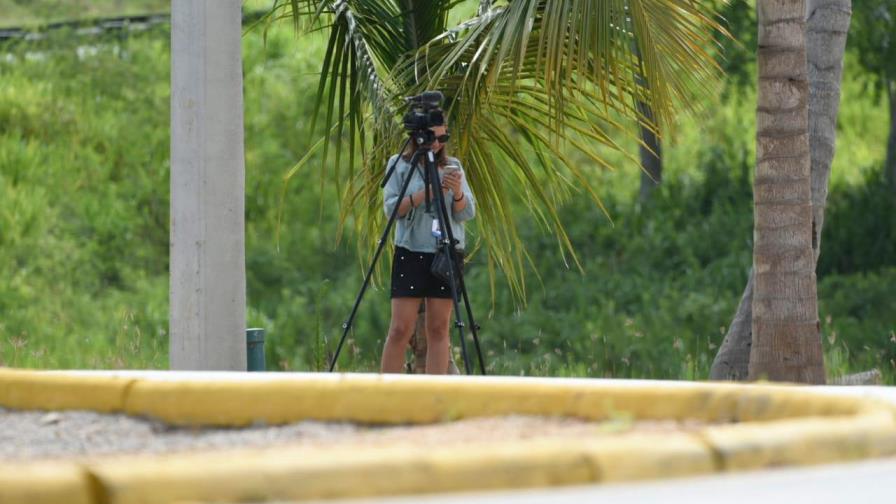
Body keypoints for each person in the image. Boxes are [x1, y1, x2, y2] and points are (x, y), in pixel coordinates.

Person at [380, 122, 475, 374]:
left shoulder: (452, 165)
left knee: (438, 328)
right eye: (433, 137)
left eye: (444, 137)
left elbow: (465, 213)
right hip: (411, 251)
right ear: (418, 135)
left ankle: (435, 390)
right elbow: (391, 210)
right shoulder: (400, 164)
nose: (437, 143)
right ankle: (387, 391)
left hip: (445, 253)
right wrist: (426, 193)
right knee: (400, 328)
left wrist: (457, 192)